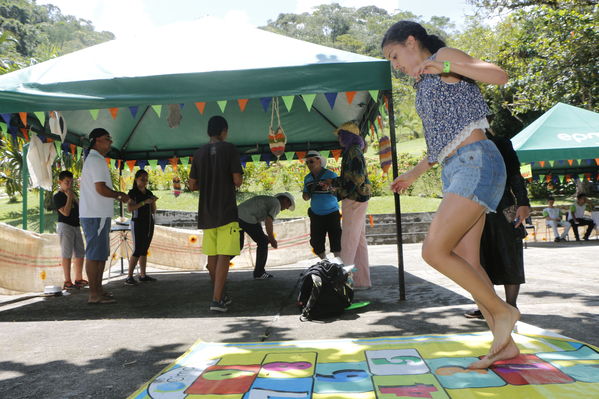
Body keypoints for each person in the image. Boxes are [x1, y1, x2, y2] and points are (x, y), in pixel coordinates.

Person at [382, 20, 519, 368]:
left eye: (395, 56)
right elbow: (443, 140)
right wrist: (412, 174)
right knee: (467, 261)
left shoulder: (443, 57)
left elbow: (499, 76)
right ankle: (504, 343)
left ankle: (503, 312)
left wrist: (444, 65)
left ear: (412, 42)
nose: (395, 65)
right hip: (457, 167)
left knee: (434, 250)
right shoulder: (423, 81)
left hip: (477, 164)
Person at [465, 131, 531, 320]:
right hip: (471, 206)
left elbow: (515, 174)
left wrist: (523, 203)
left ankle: (511, 305)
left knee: (511, 250)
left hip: (505, 205)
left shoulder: (501, 142)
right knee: (477, 256)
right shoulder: (459, 144)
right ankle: (488, 305)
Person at [188, 116, 243, 312]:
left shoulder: (199, 153)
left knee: (212, 255)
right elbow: (237, 180)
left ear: (208, 132)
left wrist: (208, 181)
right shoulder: (230, 149)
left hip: (206, 211)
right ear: (224, 131)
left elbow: (192, 185)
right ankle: (217, 299)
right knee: (223, 256)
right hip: (226, 210)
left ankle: (218, 296)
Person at [79, 128, 129, 304]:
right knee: (94, 254)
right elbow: (100, 188)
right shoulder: (95, 160)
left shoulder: (95, 159)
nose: (110, 142)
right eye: (107, 139)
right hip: (95, 214)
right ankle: (94, 294)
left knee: (100, 255)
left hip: (97, 214)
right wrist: (119, 195)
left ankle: (98, 290)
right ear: (96, 141)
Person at [334, 122, 371, 290]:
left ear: (348, 136)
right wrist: (335, 183)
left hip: (354, 199)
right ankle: (362, 281)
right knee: (359, 241)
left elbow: (356, 179)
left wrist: (340, 192)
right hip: (359, 199)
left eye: (341, 135)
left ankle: (344, 282)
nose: (339, 138)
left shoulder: (352, 152)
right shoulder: (354, 151)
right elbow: (354, 177)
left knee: (349, 240)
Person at [237, 192, 296, 279]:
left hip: (236, 215)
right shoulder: (277, 204)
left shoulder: (269, 200)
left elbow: (259, 220)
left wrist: (267, 236)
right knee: (263, 242)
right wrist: (272, 239)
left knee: (237, 246)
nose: (287, 208)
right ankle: (259, 273)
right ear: (285, 200)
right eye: (288, 205)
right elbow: (268, 221)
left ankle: (216, 265)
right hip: (247, 217)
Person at [302, 150, 341, 260]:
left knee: (336, 239)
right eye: (307, 162)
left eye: (311, 161)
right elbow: (305, 196)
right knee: (316, 241)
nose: (309, 164)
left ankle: (340, 264)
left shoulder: (331, 175)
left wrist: (329, 187)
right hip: (316, 214)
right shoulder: (307, 178)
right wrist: (306, 194)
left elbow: (339, 192)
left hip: (332, 212)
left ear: (319, 161)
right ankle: (325, 262)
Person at [53, 170, 87, 291]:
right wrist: (69, 198)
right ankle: (67, 280)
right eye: (67, 182)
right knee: (66, 254)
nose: (69, 185)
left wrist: (74, 197)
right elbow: (65, 213)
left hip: (76, 226)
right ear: (60, 182)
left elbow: (80, 210)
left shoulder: (73, 195)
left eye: (71, 182)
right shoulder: (58, 196)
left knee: (80, 253)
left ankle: (79, 278)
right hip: (65, 226)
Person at [125, 169, 158, 285]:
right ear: (136, 179)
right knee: (137, 250)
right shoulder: (132, 193)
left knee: (144, 249)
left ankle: (143, 275)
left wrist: (153, 202)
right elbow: (129, 209)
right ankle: (129, 276)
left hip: (149, 223)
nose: (144, 181)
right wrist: (144, 202)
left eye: (146, 179)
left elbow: (154, 211)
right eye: (142, 179)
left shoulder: (149, 192)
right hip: (137, 223)